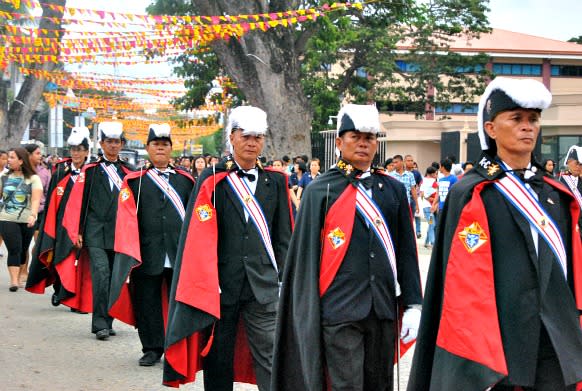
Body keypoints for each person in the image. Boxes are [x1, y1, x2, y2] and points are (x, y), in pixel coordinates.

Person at [408, 77, 582, 390]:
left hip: (554, 342)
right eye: (516, 119)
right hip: (497, 345)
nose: (527, 127)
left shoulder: (554, 194)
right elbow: (459, 285)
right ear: (490, 128)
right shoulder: (473, 192)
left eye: (533, 119)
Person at [272, 104, 422, 391]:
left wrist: (414, 304)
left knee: (379, 385)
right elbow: (306, 258)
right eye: (356, 137)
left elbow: (406, 252)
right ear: (339, 142)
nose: (364, 143)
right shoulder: (320, 190)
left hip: (382, 308)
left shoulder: (391, 189)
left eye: (370, 137)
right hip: (339, 309)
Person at [163, 106, 293, 389]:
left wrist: (283, 278)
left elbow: (284, 237)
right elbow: (198, 236)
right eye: (245, 136)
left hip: (263, 285)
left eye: (258, 137)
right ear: (231, 138)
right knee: (218, 357)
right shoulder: (212, 180)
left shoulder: (277, 181)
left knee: (270, 355)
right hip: (221, 287)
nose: (252, 142)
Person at [108, 124, 194, 366]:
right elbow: (124, 218)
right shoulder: (134, 181)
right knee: (147, 303)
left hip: (178, 253)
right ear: (147, 148)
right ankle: (152, 348)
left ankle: (177, 347)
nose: (160, 149)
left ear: (170, 149)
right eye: (156, 145)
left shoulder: (186, 181)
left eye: (164, 145)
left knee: (180, 303)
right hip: (146, 253)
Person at [63, 121, 134, 340]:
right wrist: (78, 231)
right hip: (94, 232)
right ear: (101, 144)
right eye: (109, 142)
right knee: (101, 274)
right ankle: (100, 323)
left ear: (122, 144)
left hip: (119, 234)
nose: (113, 145)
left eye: (117, 142)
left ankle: (108, 318)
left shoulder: (129, 172)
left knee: (115, 278)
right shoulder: (91, 170)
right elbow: (78, 203)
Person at [26, 127, 92, 313]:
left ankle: (73, 296)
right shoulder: (60, 171)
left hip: (83, 224)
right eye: (73, 149)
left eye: (80, 149)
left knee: (78, 261)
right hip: (60, 223)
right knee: (59, 257)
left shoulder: (92, 172)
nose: (76, 153)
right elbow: (52, 200)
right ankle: (59, 289)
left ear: (87, 151)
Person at [0, 148, 42, 291]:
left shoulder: (33, 178)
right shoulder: (4, 177)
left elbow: (36, 200)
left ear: (21, 161)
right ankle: (14, 282)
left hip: (26, 219)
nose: (8, 160)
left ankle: (18, 277)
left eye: (12, 157)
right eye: (8, 157)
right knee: (14, 248)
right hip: (6, 218)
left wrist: (33, 214)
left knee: (23, 249)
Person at [22, 143, 51, 286]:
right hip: (24, 212)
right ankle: (23, 270)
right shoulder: (20, 172)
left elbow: (48, 192)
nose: (40, 156)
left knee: (37, 243)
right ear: (28, 155)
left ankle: (33, 269)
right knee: (24, 244)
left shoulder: (45, 172)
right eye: (37, 153)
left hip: (41, 212)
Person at [559, 146, 582, 229]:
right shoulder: (560, 181)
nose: (579, 167)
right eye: (577, 163)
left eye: (581, 164)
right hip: (567, 224)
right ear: (568, 162)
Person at [389, 154, 418, 219]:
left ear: (402, 162)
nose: (394, 164)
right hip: (394, 205)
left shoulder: (410, 175)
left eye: (396, 162)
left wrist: (417, 204)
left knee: (407, 225)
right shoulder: (390, 175)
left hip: (406, 204)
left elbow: (413, 190)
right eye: (393, 163)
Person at [420, 166, 438, 249]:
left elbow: (422, 194)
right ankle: (433, 242)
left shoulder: (423, 181)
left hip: (427, 206)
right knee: (432, 224)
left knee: (431, 224)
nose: (436, 175)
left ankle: (427, 242)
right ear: (432, 174)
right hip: (429, 207)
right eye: (435, 173)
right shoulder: (432, 181)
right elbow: (438, 192)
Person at [405, 154, 423, 239]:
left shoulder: (416, 173)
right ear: (404, 162)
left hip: (412, 198)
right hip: (403, 199)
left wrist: (417, 203)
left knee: (411, 218)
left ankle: (413, 234)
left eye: (412, 160)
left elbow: (418, 185)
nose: (410, 162)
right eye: (408, 160)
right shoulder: (400, 173)